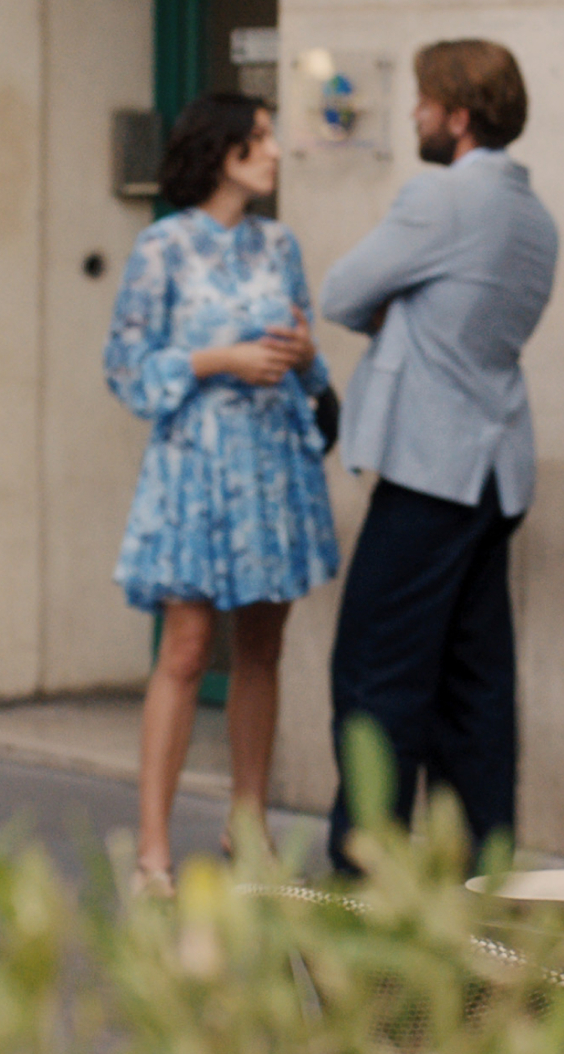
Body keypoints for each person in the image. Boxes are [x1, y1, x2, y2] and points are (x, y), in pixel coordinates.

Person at [319, 39, 558, 875]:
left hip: (429, 467)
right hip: (495, 473)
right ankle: (480, 889)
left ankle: (365, 886)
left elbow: (342, 292)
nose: (414, 114)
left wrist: (399, 311)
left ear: (457, 115)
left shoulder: (440, 198)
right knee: (475, 692)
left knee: (373, 682)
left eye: (423, 100)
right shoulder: (533, 216)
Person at [105, 93, 340, 894]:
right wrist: (219, 360)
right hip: (195, 471)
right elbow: (126, 369)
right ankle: (152, 849)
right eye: (262, 138)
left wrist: (305, 355)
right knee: (185, 649)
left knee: (263, 649)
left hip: (271, 467)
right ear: (224, 149)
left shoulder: (281, 244)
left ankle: (251, 829)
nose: (275, 152)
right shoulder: (161, 247)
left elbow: (313, 372)